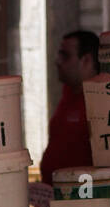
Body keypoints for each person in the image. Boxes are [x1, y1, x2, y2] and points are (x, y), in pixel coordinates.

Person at [38, 30, 99, 183]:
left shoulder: (101, 100)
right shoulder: (69, 93)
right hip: (54, 195)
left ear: (86, 60)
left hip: (83, 195)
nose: (57, 61)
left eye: (65, 55)